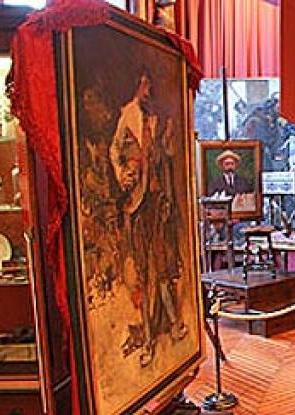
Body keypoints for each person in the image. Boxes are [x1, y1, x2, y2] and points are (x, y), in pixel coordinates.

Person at [110, 71, 186, 367]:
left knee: (164, 264)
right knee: (143, 270)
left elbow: (164, 157)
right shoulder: (128, 115)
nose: (148, 89)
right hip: (137, 204)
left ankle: (174, 323)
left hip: (157, 201)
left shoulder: (155, 119)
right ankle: (148, 338)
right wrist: (123, 174)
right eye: (144, 84)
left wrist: (166, 145)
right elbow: (115, 150)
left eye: (150, 84)